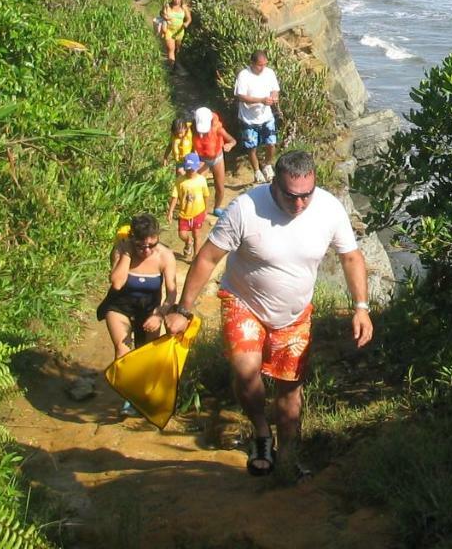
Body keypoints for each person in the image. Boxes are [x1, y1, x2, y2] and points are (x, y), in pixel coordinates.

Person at [165, 150, 373, 480]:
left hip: (294, 314)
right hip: (243, 302)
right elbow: (207, 257)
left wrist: (361, 308)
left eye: (307, 195)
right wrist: (183, 310)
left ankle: (288, 460)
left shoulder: (329, 208)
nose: (301, 204)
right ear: (275, 183)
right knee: (247, 373)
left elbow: (351, 257)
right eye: (292, 196)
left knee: (290, 393)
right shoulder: (246, 208)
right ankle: (262, 434)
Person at [98, 214, 178, 412]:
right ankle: (129, 395)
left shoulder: (165, 256)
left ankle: (143, 393)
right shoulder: (121, 250)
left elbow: (172, 293)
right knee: (123, 349)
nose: (147, 250)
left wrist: (159, 314)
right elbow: (116, 283)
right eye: (141, 246)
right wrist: (126, 254)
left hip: (150, 309)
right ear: (133, 239)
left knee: (146, 353)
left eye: (152, 244)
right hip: (119, 306)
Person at [234, 50, 280, 183]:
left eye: (265, 64)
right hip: (248, 118)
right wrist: (261, 100)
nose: (263, 67)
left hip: (266, 116)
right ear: (252, 63)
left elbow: (275, 89)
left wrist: (274, 97)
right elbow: (241, 96)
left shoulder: (269, 73)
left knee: (271, 143)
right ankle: (256, 170)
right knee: (251, 146)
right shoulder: (244, 75)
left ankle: (267, 165)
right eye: (260, 65)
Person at [192, 106, 236, 216]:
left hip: (217, 158)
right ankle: (200, 209)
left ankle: (217, 207)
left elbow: (232, 140)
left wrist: (229, 145)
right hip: (202, 159)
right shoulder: (192, 129)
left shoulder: (218, 129)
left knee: (220, 187)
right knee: (197, 186)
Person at [167, 152, 212, 260]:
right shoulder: (180, 181)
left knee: (197, 235)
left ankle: (195, 257)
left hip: (198, 212)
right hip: (184, 213)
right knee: (182, 234)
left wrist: (205, 210)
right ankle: (188, 242)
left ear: (197, 167)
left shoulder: (201, 180)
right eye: (188, 169)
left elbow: (206, 195)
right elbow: (175, 196)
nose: (190, 171)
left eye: (192, 169)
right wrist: (170, 211)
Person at [156, 0, 192, 68]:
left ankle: (176, 63)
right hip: (169, 30)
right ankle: (171, 68)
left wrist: (186, 23)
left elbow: (189, 18)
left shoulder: (184, 7)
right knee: (170, 49)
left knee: (177, 50)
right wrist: (164, 16)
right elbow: (161, 12)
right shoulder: (167, 6)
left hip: (180, 31)